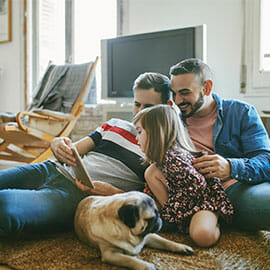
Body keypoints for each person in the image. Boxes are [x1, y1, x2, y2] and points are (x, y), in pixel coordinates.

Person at [0, 72, 171, 238]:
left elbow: (156, 209)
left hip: (77, 195)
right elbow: (74, 149)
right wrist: (58, 143)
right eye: (136, 104)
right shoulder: (114, 124)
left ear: (167, 107)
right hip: (50, 168)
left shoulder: (162, 152)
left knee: (4, 205)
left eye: (148, 107)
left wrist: (115, 193)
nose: (139, 112)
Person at [166, 58, 270, 231]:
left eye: (184, 93)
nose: (177, 101)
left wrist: (230, 167)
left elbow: (266, 161)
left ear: (207, 88)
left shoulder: (241, 112)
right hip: (200, 197)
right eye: (173, 93)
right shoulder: (173, 123)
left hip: (238, 186)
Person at [133, 104, 234, 247]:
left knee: (202, 236)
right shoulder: (159, 164)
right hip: (185, 207)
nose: (136, 138)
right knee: (150, 172)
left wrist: (176, 209)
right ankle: (173, 219)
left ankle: (218, 220)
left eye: (139, 132)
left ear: (155, 132)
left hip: (205, 202)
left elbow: (198, 186)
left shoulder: (175, 159)